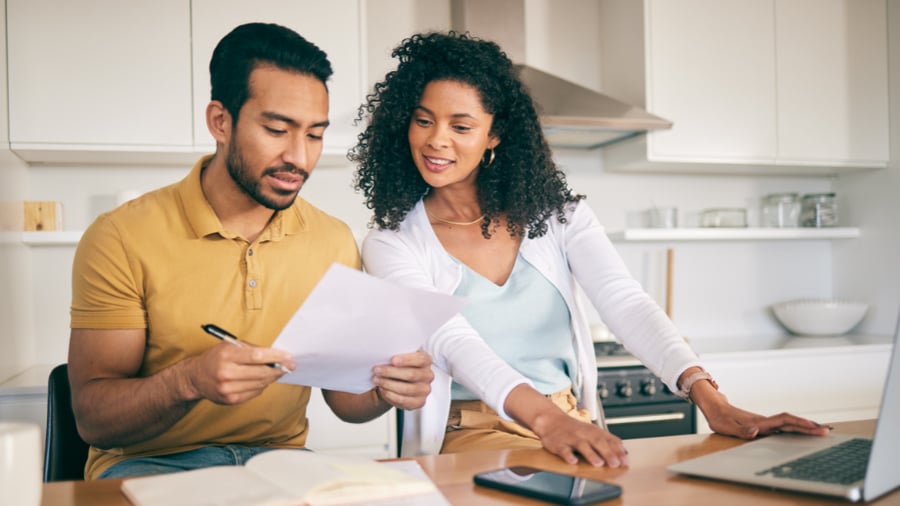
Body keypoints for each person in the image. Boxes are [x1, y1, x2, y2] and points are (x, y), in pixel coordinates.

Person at [350, 31, 830, 468]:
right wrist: (545, 422)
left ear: (493, 136)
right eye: (424, 121)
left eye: (461, 126)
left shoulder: (559, 216)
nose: (436, 140)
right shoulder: (392, 242)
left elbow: (626, 303)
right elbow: (452, 342)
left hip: (570, 419)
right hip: (474, 433)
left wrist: (712, 402)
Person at [67, 22, 434, 480]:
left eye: (315, 135)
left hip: (281, 464)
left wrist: (388, 388)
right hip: (149, 466)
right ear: (221, 121)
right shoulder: (121, 236)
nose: (299, 157)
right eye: (277, 129)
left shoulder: (333, 240)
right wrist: (189, 381)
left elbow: (345, 402)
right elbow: (93, 419)